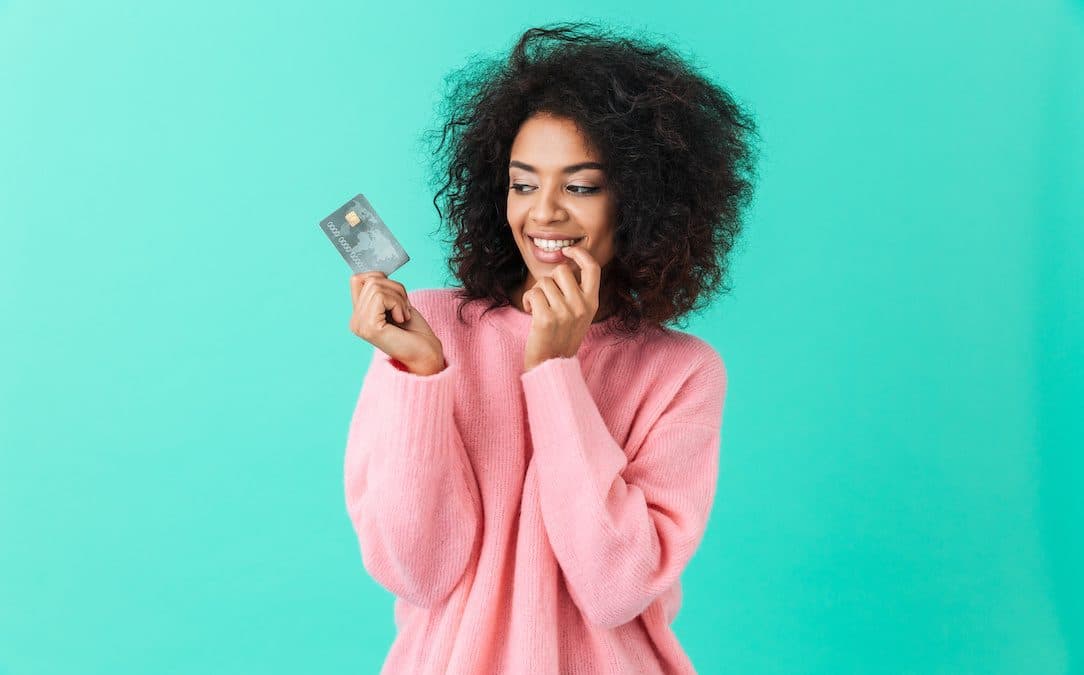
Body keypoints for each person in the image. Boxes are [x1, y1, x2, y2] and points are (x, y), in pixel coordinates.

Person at [343, 21, 759, 674]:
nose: (545, 213)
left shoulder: (681, 371)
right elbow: (416, 572)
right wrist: (421, 374)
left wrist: (555, 370)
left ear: (642, 202)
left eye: (582, 186)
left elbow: (615, 586)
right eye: (524, 182)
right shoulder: (425, 329)